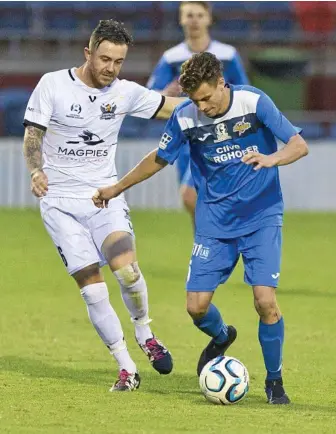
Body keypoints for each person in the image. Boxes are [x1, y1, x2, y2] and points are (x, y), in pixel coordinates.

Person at [92, 52, 309, 404]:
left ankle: (274, 382)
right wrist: (116, 187)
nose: (202, 106)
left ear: (222, 83)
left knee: (265, 301)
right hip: (214, 223)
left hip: (261, 216)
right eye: (195, 99)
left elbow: (299, 145)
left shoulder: (254, 102)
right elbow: (159, 159)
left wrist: (271, 158)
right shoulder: (185, 116)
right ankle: (222, 336)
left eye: (207, 97)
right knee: (196, 307)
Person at [22, 20, 183, 392]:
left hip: (103, 196)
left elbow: (167, 107)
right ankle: (126, 367)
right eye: (105, 58)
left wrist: (218, 98)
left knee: (126, 271)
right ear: (88, 54)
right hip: (59, 203)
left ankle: (145, 333)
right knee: (93, 290)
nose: (111, 68)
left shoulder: (124, 92)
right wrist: (35, 171)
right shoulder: (53, 85)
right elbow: (33, 135)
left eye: (119, 61)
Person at [147, 1, 249, 220]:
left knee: (191, 196)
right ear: (181, 19)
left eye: (199, 15)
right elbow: (150, 99)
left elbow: (245, 93)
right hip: (185, 137)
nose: (194, 20)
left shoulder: (227, 55)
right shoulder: (171, 57)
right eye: (189, 15)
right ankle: (210, 248)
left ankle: (220, 242)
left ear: (209, 19)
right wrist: (166, 93)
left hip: (220, 135)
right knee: (195, 204)